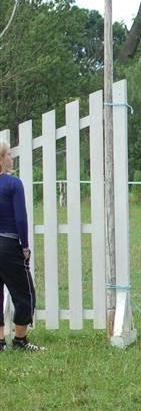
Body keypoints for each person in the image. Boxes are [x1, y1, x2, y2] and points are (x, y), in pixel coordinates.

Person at [0, 141, 45, 352]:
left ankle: (0, 342)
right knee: (25, 293)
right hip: (8, 244)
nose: (12, 157)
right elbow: (21, 219)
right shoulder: (13, 184)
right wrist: (24, 246)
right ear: (1, 159)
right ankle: (20, 340)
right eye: (9, 154)